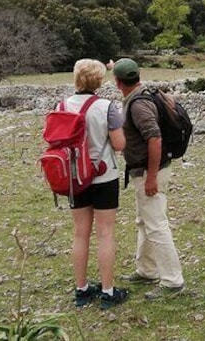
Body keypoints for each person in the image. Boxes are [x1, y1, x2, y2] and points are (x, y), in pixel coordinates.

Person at [112, 57, 185, 300]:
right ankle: (147, 269)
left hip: (148, 172)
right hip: (147, 170)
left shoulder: (137, 105)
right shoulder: (144, 91)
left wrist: (151, 177)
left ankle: (172, 281)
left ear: (118, 82)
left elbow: (154, 138)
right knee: (144, 222)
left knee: (156, 225)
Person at [64, 59, 129, 309]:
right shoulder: (107, 107)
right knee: (105, 233)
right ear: (99, 81)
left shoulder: (63, 105)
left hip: (74, 177)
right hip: (103, 176)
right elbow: (120, 144)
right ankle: (108, 291)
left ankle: (81, 289)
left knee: (80, 233)